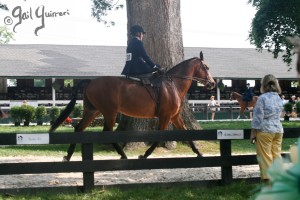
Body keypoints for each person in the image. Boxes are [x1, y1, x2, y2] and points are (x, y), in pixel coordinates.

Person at [250, 74, 283, 183]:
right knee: (276, 156)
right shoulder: (278, 97)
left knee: (265, 158)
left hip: (265, 131)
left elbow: (258, 116)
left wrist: (253, 131)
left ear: (263, 85)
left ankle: (269, 186)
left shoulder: (262, 98)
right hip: (278, 130)